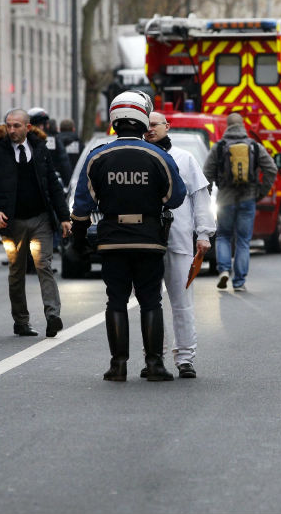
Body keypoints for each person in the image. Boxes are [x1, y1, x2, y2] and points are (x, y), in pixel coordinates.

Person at [71, 91, 186, 382]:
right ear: (143, 119)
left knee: (116, 301)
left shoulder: (97, 157)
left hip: (112, 239)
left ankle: (118, 365)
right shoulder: (159, 155)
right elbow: (176, 197)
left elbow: (82, 205)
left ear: (114, 121)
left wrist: (79, 238)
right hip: (149, 238)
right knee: (150, 301)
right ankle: (156, 365)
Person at [0, 109, 71, 338]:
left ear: (28, 127)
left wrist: (64, 217)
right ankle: (21, 321)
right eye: (9, 125)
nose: (12, 130)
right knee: (16, 271)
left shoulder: (39, 149)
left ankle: (52, 316)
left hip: (40, 219)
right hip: (11, 222)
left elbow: (54, 186)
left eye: (17, 125)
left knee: (43, 264)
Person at [144, 111, 215, 378]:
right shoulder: (138, 156)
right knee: (150, 303)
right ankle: (154, 357)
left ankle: (185, 358)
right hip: (147, 241)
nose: (150, 129)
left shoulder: (185, 158)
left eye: (155, 125)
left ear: (167, 126)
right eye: (146, 125)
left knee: (182, 302)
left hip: (179, 239)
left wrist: (204, 233)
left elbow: (200, 197)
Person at [203, 113, 277, 292]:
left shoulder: (219, 147)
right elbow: (272, 170)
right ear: (243, 125)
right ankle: (239, 282)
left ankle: (223, 271)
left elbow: (206, 174)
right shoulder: (255, 147)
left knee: (223, 236)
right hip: (248, 198)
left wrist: (209, 195)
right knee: (244, 240)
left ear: (227, 126)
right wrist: (260, 192)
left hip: (225, 199)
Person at [28, 107, 71, 188]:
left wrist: (68, 184)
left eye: (42, 124)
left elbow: (64, 162)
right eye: (38, 124)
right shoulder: (24, 141)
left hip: (51, 183)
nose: (41, 127)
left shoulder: (53, 140)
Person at [56, 118, 84, 183]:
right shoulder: (79, 143)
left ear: (59, 129)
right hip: (76, 179)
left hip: (59, 180)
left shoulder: (56, 143)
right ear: (73, 129)